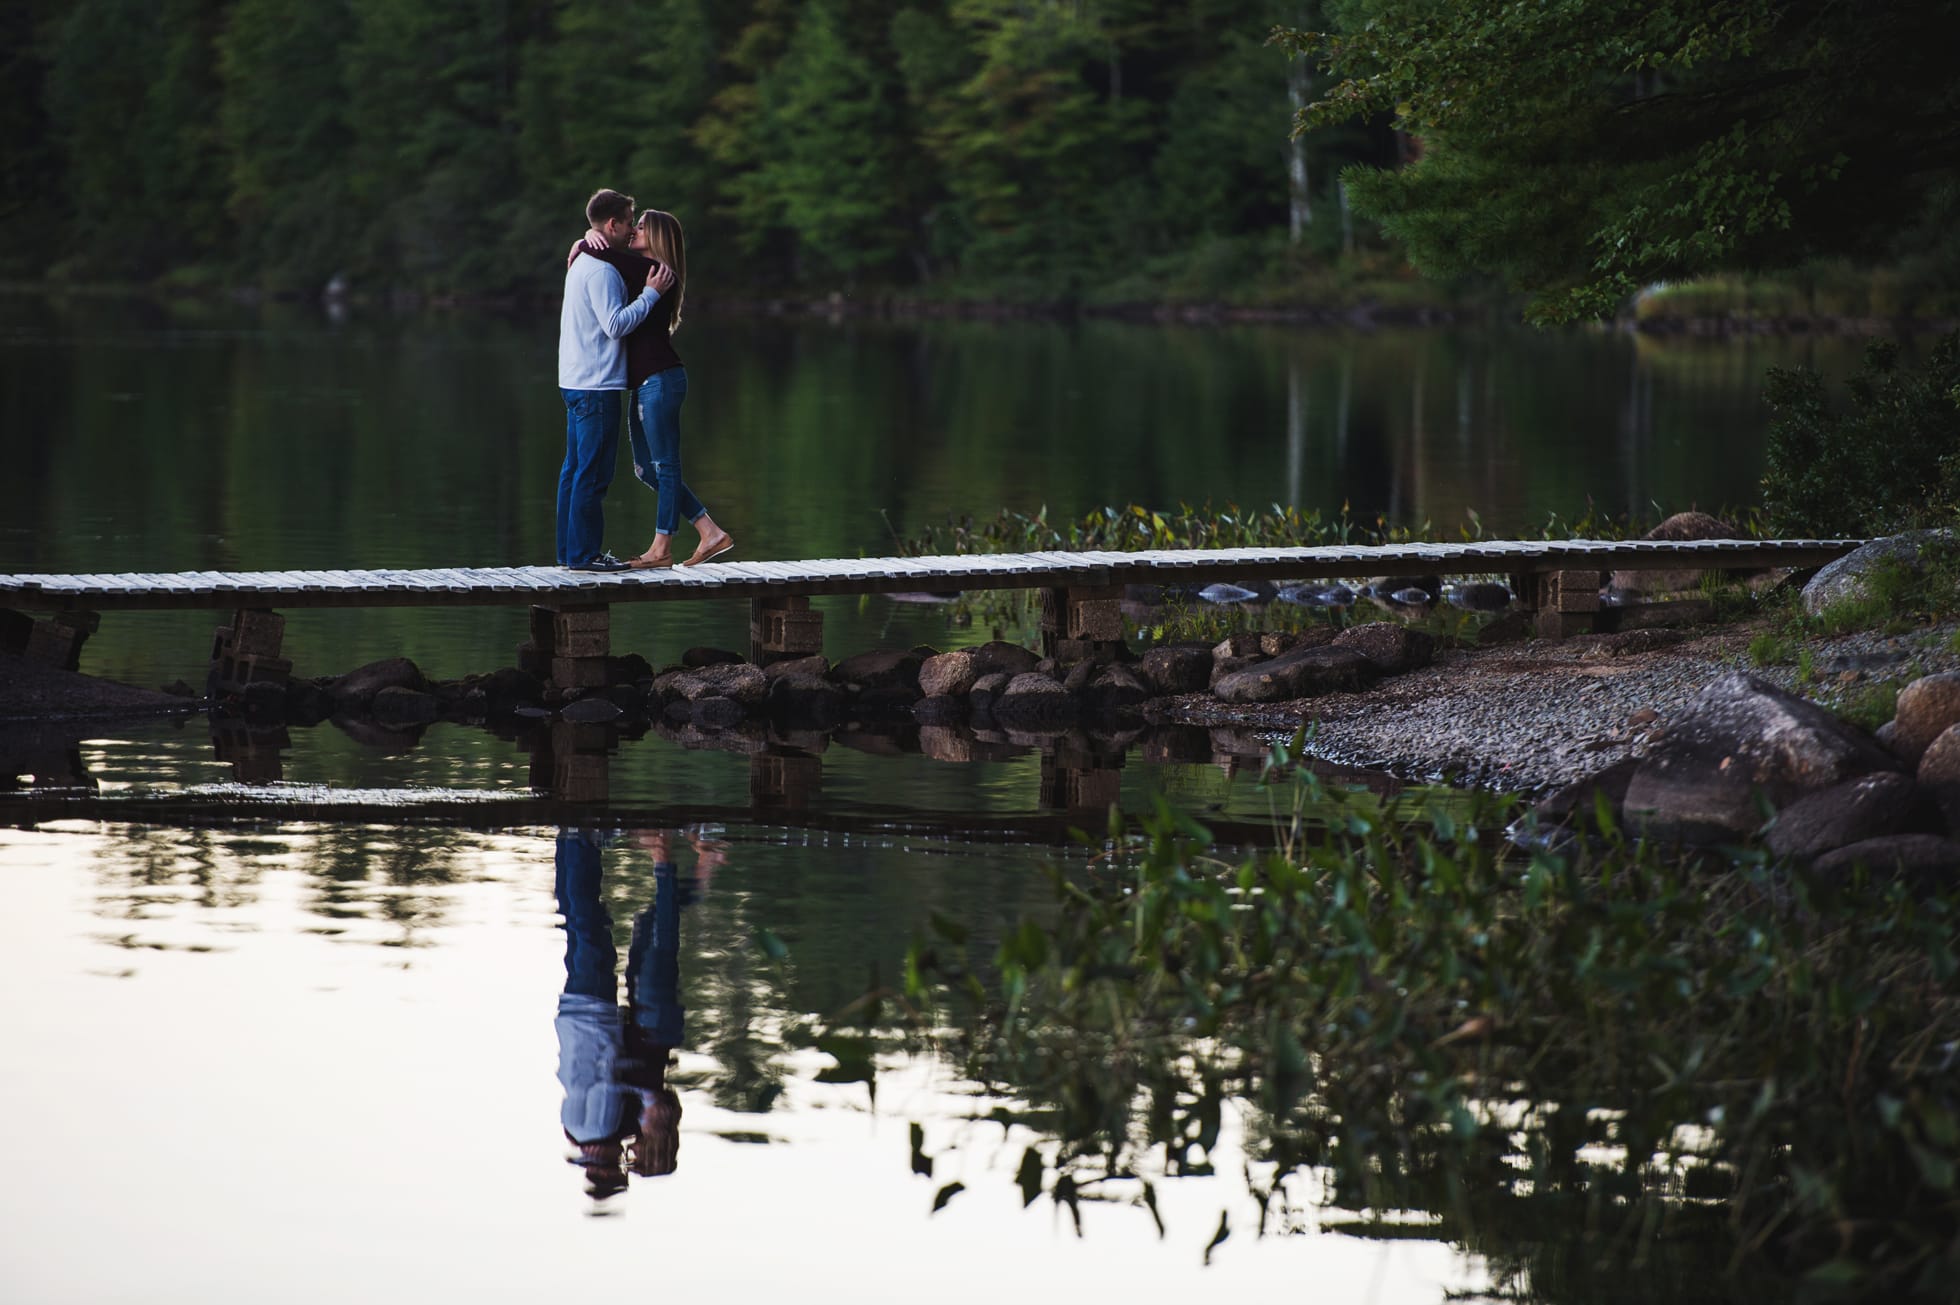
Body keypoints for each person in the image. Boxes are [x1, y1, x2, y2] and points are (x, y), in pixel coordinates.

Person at [552, 826, 719, 1201]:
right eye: (632, 1160)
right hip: (645, 1024)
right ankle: (645, 851)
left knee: (611, 924)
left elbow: (613, 1080)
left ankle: (701, 867)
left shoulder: (604, 1127)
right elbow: (626, 1082)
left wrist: (641, 1098)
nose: (625, 1156)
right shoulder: (632, 1122)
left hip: (608, 1020)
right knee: (640, 933)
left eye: (621, 1164)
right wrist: (644, 1099)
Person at [570, 209, 734, 568]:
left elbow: (599, 252)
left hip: (660, 380)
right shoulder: (643, 271)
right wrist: (585, 239)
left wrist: (584, 239)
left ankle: (661, 549)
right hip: (646, 382)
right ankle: (709, 530)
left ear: (657, 236)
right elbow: (605, 256)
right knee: (646, 468)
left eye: (641, 226)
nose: (634, 230)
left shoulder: (657, 271)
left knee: (665, 464)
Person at [556, 189, 675, 572]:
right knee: (593, 473)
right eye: (628, 222)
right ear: (612, 224)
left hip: (574, 380)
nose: (630, 230)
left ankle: (569, 552)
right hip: (596, 385)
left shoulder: (582, 261)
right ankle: (584, 556)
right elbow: (615, 325)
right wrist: (651, 295)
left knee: (574, 470)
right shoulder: (603, 270)